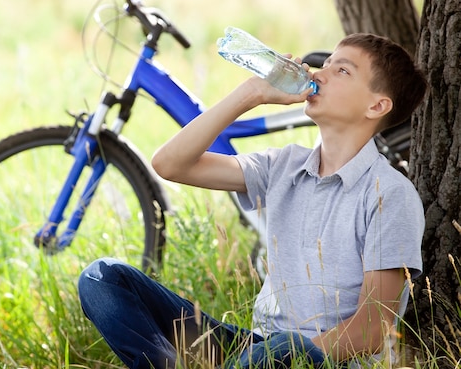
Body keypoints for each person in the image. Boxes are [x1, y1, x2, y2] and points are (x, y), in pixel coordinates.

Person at [78, 33, 428, 368]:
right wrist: (251, 93)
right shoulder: (284, 165)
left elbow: (371, 329)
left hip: (317, 359)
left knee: (273, 349)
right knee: (102, 279)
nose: (318, 72)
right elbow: (170, 164)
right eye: (327, 63)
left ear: (376, 105)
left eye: (341, 70)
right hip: (252, 347)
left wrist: (277, 357)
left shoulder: (389, 194)